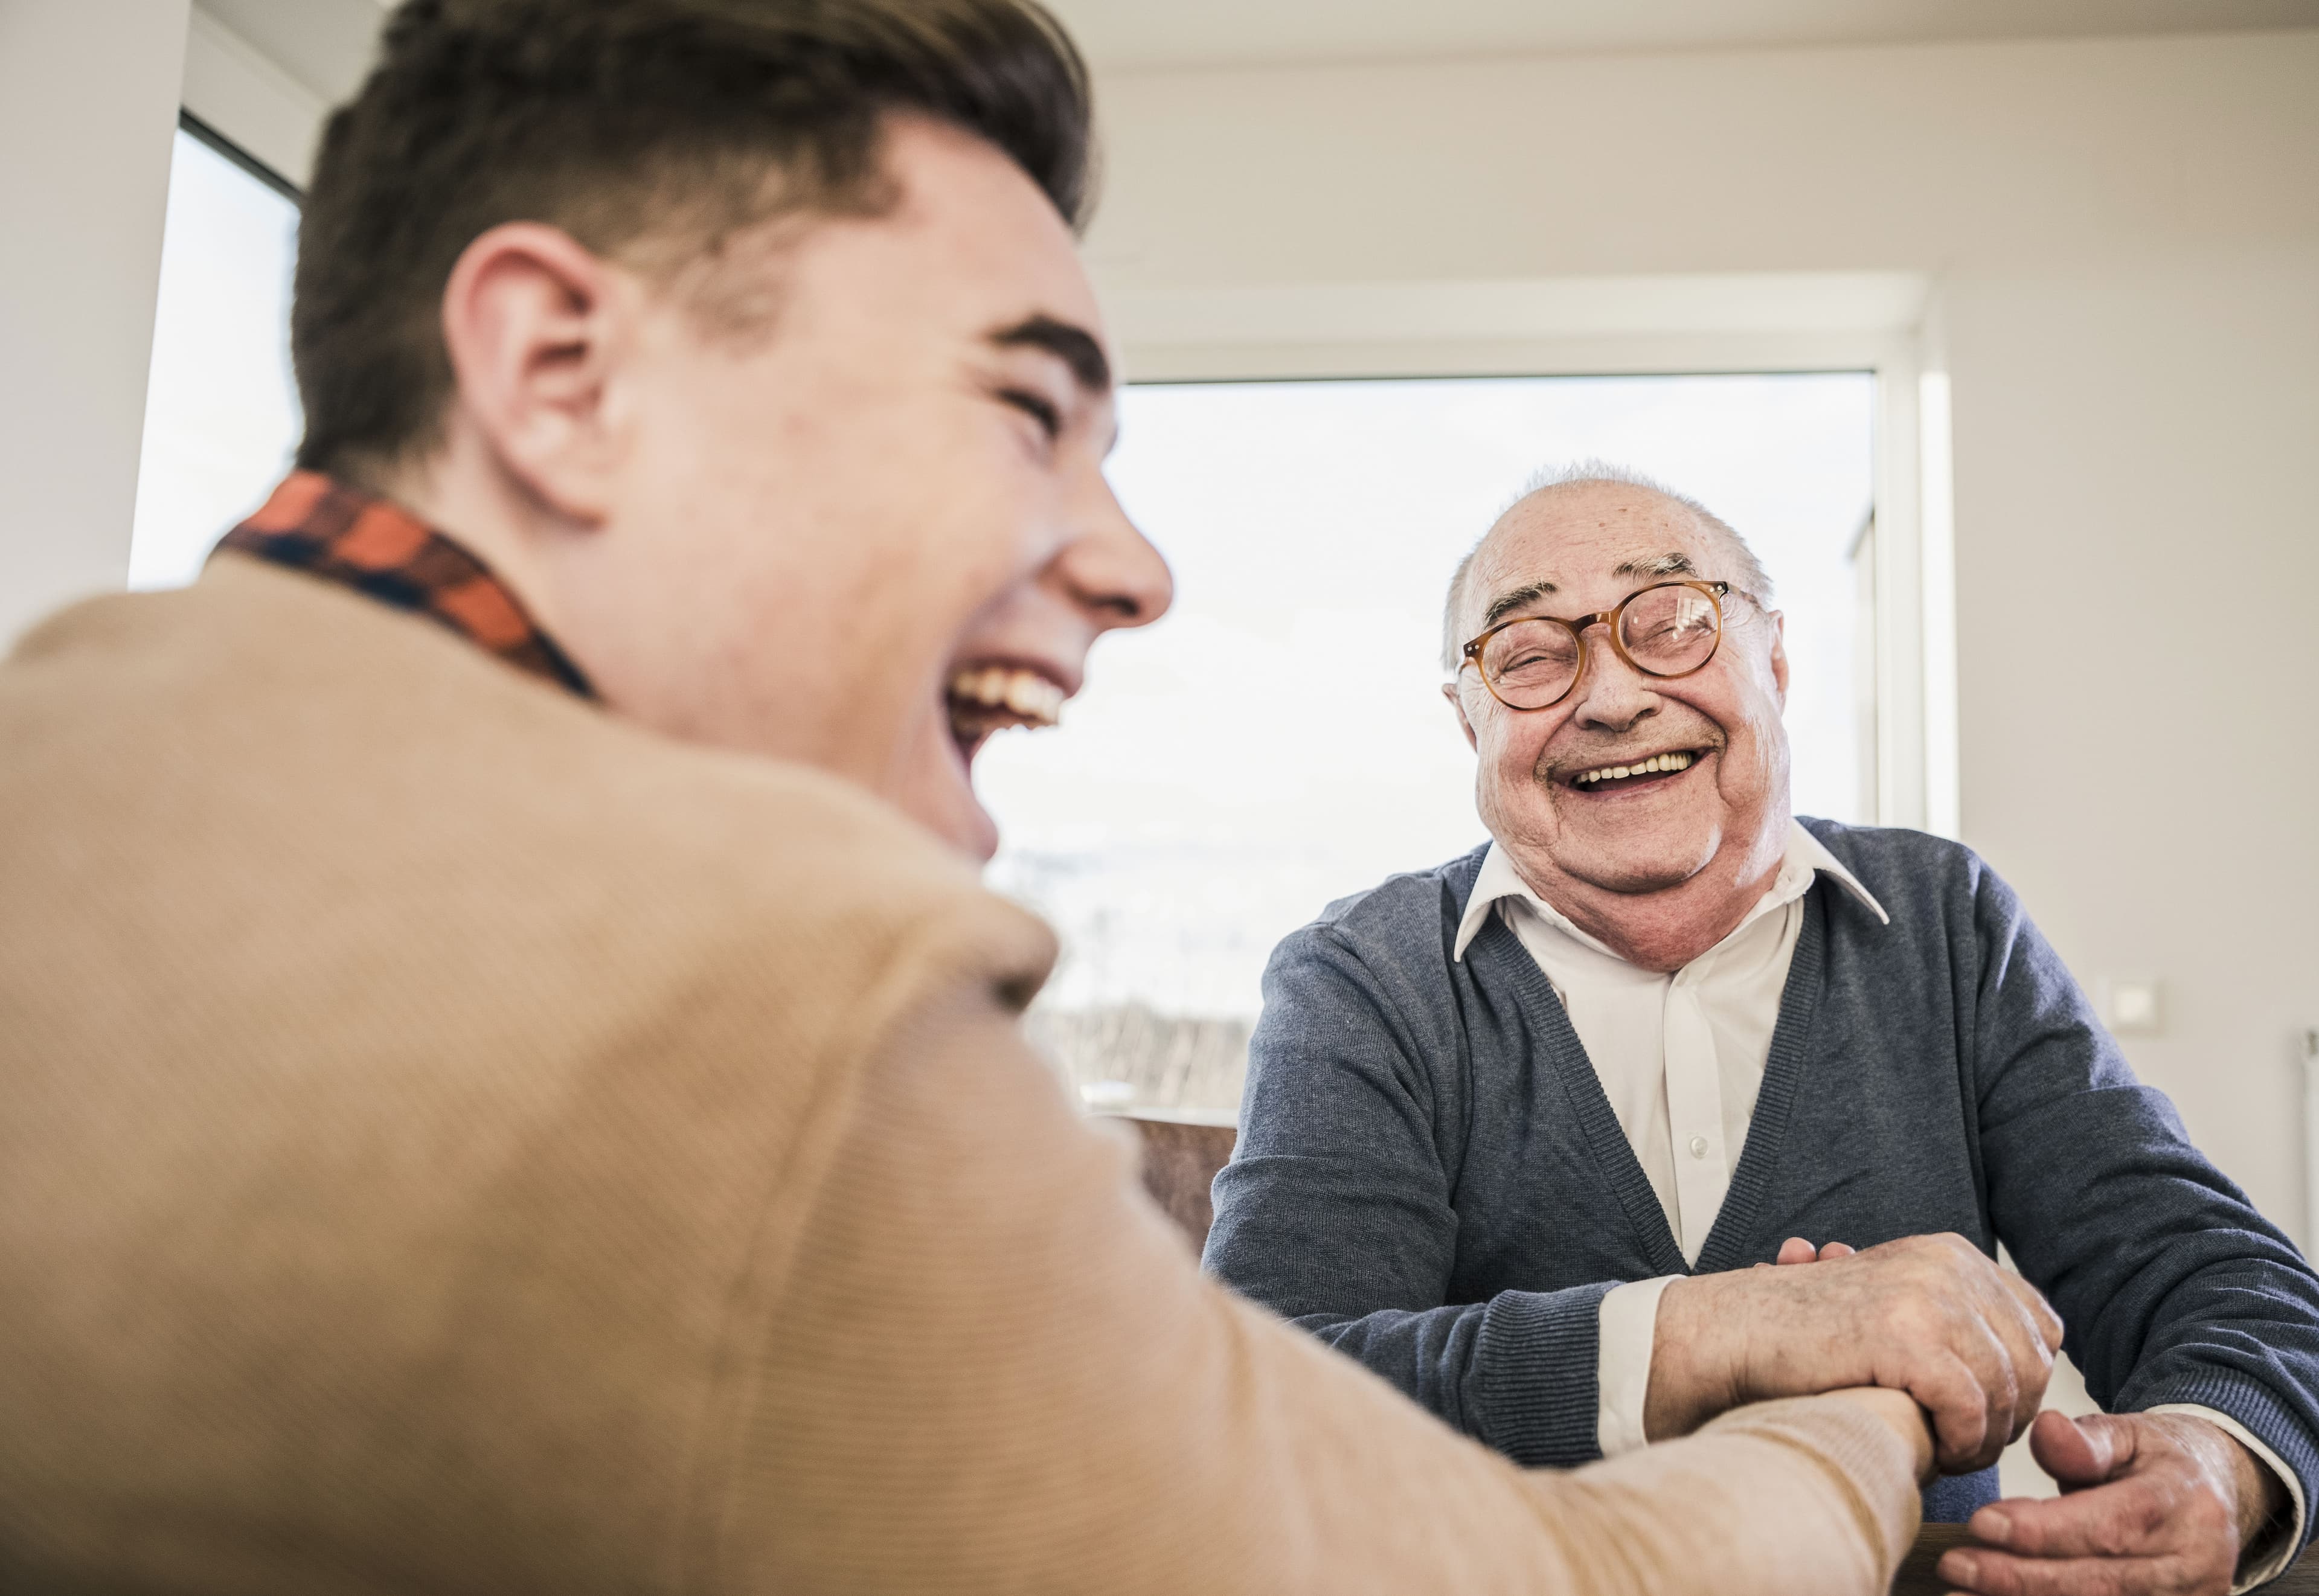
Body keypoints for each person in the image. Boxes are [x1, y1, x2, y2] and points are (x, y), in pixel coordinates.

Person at [0, 3, 1940, 1591]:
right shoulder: (770, 1016)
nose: (1134, 565)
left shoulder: (67, 752)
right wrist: (1859, 1407)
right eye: (1027, 408)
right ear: (559, 367)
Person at [1202, 461, 2319, 1596]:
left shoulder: (1947, 919)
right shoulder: (1360, 975)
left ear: (1775, 659)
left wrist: (2222, 1460)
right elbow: (1259, 1394)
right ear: (1470, 714)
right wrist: (1724, 1331)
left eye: (1674, 622)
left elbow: (2206, 1270)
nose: (1612, 698)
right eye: (1533, 655)